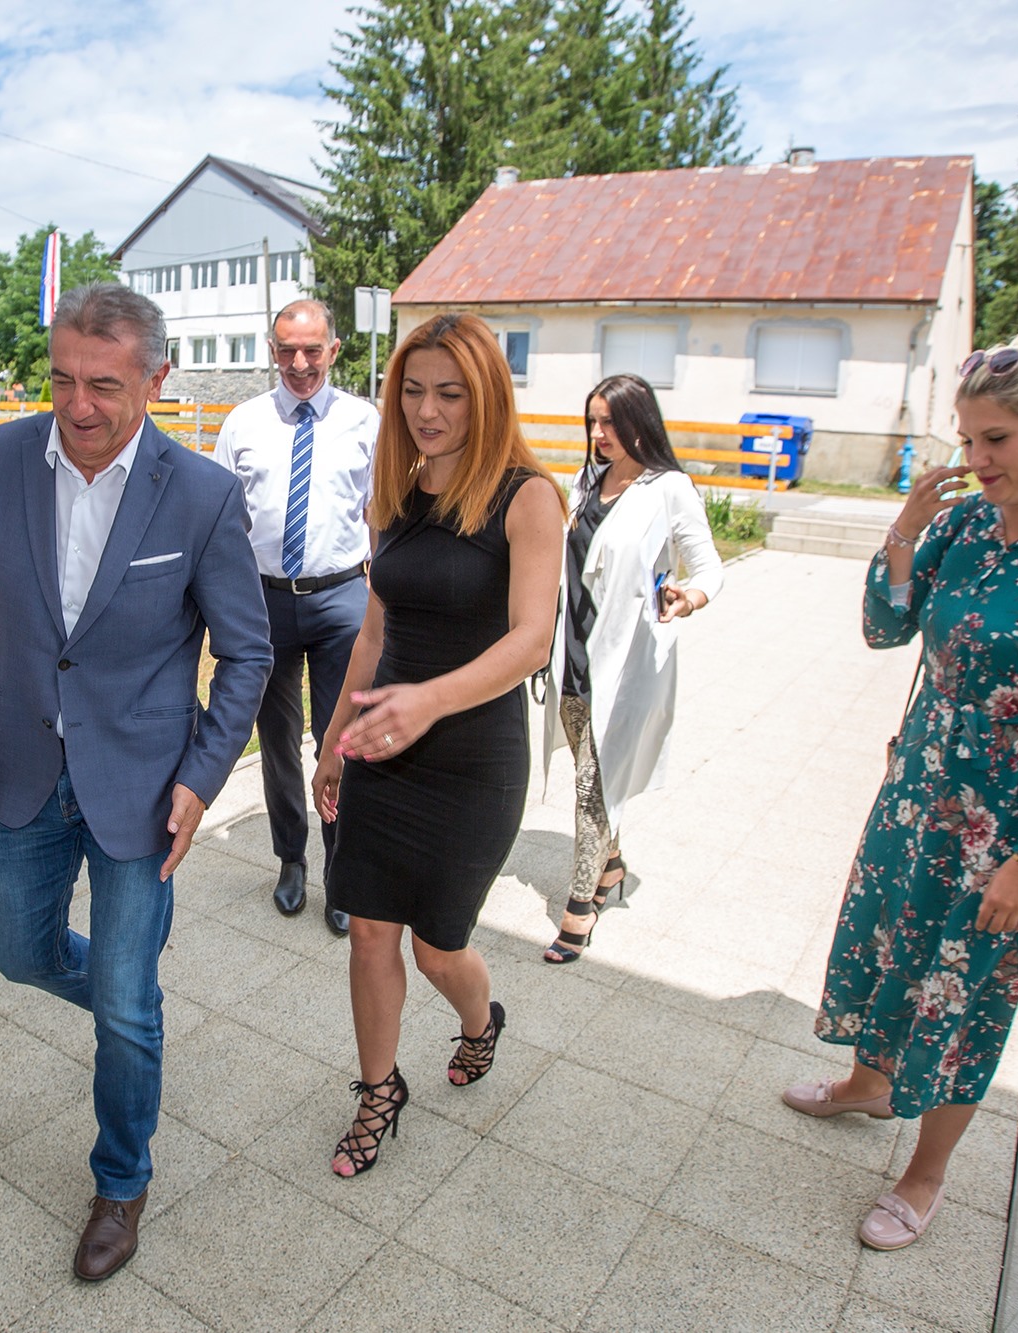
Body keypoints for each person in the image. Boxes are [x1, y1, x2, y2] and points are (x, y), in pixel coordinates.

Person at [0, 282, 270, 1281]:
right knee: (19, 956)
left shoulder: (200, 494)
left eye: (104, 385)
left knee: (119, 1002)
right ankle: (134, 1017)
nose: (78, 405)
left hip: (144, 790)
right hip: (17, 768)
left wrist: (203, 775)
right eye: (62, 379)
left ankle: (121, 1179)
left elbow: (246, 653)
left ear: (156, 380)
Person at [785, 323, 1018, 1251]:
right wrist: (905, 532)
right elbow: (886, 629)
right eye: (967, 438)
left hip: (1009, 826)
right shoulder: (961, 526)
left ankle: (926, 1173)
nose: (977, 458)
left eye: (997, 438)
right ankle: (869, 1084)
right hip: (918, 791)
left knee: (966, 990)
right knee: (889, 945)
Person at [311, 313, 564, 1177]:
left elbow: (532, 640)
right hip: (383, 746)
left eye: (449, 393)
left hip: (473, 758)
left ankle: (479, 1022)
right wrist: (336, 740)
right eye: (413, 391)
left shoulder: (528, 497)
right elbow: (374, 633)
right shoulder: (398, 490)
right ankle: (378, 1090)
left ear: (486, 396)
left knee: (437, 945)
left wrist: (430, 701)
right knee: (370, 932)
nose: (427, 410)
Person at [541, 373, 724, 963]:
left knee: (591, 785)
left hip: (622, 663)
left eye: (611, 422)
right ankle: (612, 864)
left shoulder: (669, 488)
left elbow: (708, 566)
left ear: (639, 422)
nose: (599, 433)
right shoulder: (585, 481)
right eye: (593, 421)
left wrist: (689, 597)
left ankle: (579, 907)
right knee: (593, 773)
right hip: (572, 653)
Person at [211, 298, 379, 936]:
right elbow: (221, 522)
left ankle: (343, 870)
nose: (300, 363)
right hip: (264, 603)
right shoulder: (244, 423)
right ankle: (291, 858)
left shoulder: (365, 422)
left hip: (341, 601)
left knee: (343, 741)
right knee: (278, 740)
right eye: (287, 350)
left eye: (312, 350)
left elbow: (381, 514)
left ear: (333, 350)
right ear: (272, 350)